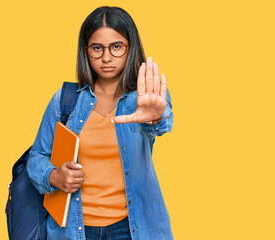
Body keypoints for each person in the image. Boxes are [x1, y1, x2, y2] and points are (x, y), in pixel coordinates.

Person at [27, 6, 174, 240]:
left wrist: (155, 117)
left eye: (116, 47)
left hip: (131, 229)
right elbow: (37, 157)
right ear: (86, 51)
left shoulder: (146, 97)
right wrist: (53, 176)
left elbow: (159, 125)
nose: (106, 57)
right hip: (74, 230)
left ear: (130, 47)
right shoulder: (65, 100)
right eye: (97, 48)